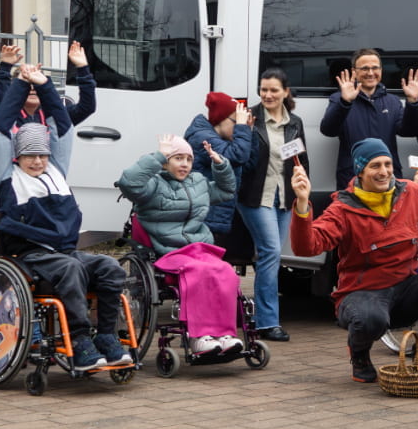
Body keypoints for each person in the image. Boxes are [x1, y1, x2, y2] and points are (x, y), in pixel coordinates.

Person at [289, 138, 418, 383]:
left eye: (387, 164)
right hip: (362, 294)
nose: (384, 171)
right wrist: (302, 203)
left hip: (404, 290)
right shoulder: (342, 209)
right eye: (375, 166)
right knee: (371, 319)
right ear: (361, 171)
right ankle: (360, 355)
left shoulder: (410, 191)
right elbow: (306, 246)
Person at [0, 69, 129, 370]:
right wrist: (22, 84)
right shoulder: (7, 176)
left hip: (63, 252)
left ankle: (105, 336)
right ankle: (79, 340)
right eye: (30, 156)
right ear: (17, 157)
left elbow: (62, 127)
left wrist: (45, 85)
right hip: (29, 255)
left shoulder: (56, 171)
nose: (37, 161)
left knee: (110, 267)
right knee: (71, 268)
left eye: (42, 155)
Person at [118, 136, 245, 356]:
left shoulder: (198, 182)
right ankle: (199, 337)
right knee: (199, 271)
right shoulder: (153, 185)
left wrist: (220, 165)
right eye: (177, 158)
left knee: (224, 271)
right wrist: (157, 156)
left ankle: (224, 334)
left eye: (188, 159)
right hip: (168, 251)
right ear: (165, 162)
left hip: (199, 249)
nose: (185, 164)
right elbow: (129, 183)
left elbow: (226, 191)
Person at [236, 68, 308, 343]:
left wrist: (302, 192)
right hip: (255, 197)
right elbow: (239, 155)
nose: (267, 94)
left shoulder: (295, 122)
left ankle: (257, 315)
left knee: (271, 257)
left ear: (285, 93)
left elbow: (301, 159)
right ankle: (267, 323)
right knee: (270, 253)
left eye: (273, 90)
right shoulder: (249, 117)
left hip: (283, 197)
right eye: (263, 89)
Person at [320, 48, 418, 189]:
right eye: (364, 68)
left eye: (375, 68)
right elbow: (328, 130)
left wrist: (413, 102)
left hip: (387, 177)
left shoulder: (392, 101)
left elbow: (408, 131)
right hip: (352, 178)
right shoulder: (339, 99)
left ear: (381, 70)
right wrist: (345, 102)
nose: (370, 73)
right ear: (354, 72)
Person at [184, 92, 254, 238]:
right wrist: (243, 130)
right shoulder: (203, 138)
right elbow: (237, 156)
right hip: (204, 217)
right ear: (221, 119)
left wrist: (249, 131)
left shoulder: (224, 141)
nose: (239, 126)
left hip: (215, 215)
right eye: (236, 122)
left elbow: (249, 164)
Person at [0, 40, 97, 127]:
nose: (32, 88)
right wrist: (4, 68)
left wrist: (82, 68)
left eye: (36, 83)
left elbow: (86, 108)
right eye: (27, 83)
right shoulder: (6, 114)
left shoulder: (55, 115)